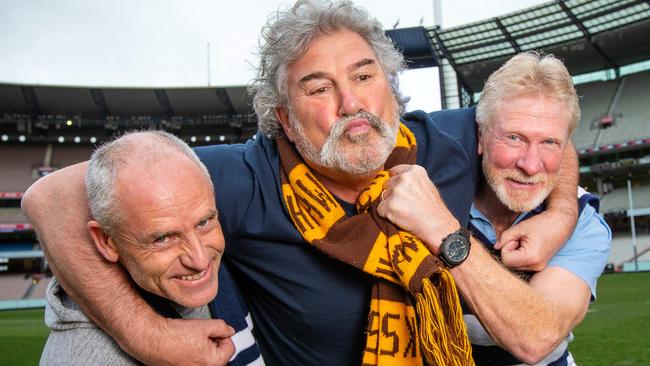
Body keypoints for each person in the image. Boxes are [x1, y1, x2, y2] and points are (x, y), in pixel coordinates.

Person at [22, 1, 584, 365]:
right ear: (285, 119)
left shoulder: (445, 140)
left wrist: (560, 211)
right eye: (318, 88)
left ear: (390, 87)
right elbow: (50, 197)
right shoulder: (246, 176)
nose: (351, 103)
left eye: (365, 76)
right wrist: (147, 335)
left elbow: (542, 134)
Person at [39, 131, 263, 366]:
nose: (199, 259)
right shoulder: (89, 358)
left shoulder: (222, 244)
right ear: (106, 240)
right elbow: (45, 196)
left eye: (204, 222)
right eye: (164, 238)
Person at [468, 53, 611, 364]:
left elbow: (536, 339)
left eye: (549, 143)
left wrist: (445, 237)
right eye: (514, 138)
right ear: (480, 136)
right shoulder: (439, 178)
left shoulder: (585, 223)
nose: (531, 166)